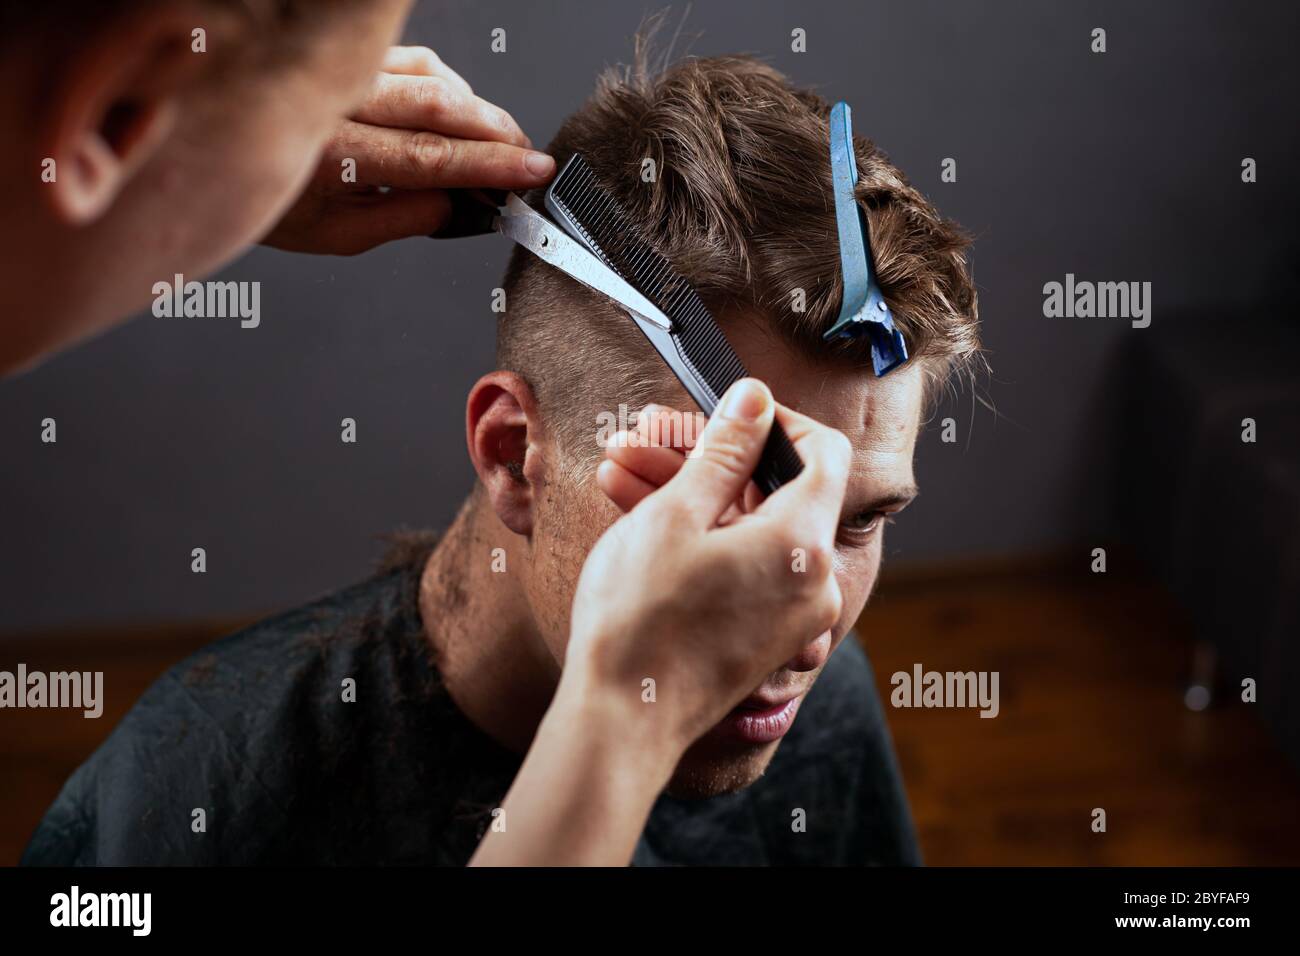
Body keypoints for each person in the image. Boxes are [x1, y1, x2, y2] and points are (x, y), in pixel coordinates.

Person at [22, 41, 980, 865]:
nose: (805, 624)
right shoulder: (194, 802)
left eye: (859, 522)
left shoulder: (823, 703)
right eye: (731, 496)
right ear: (514, 452)